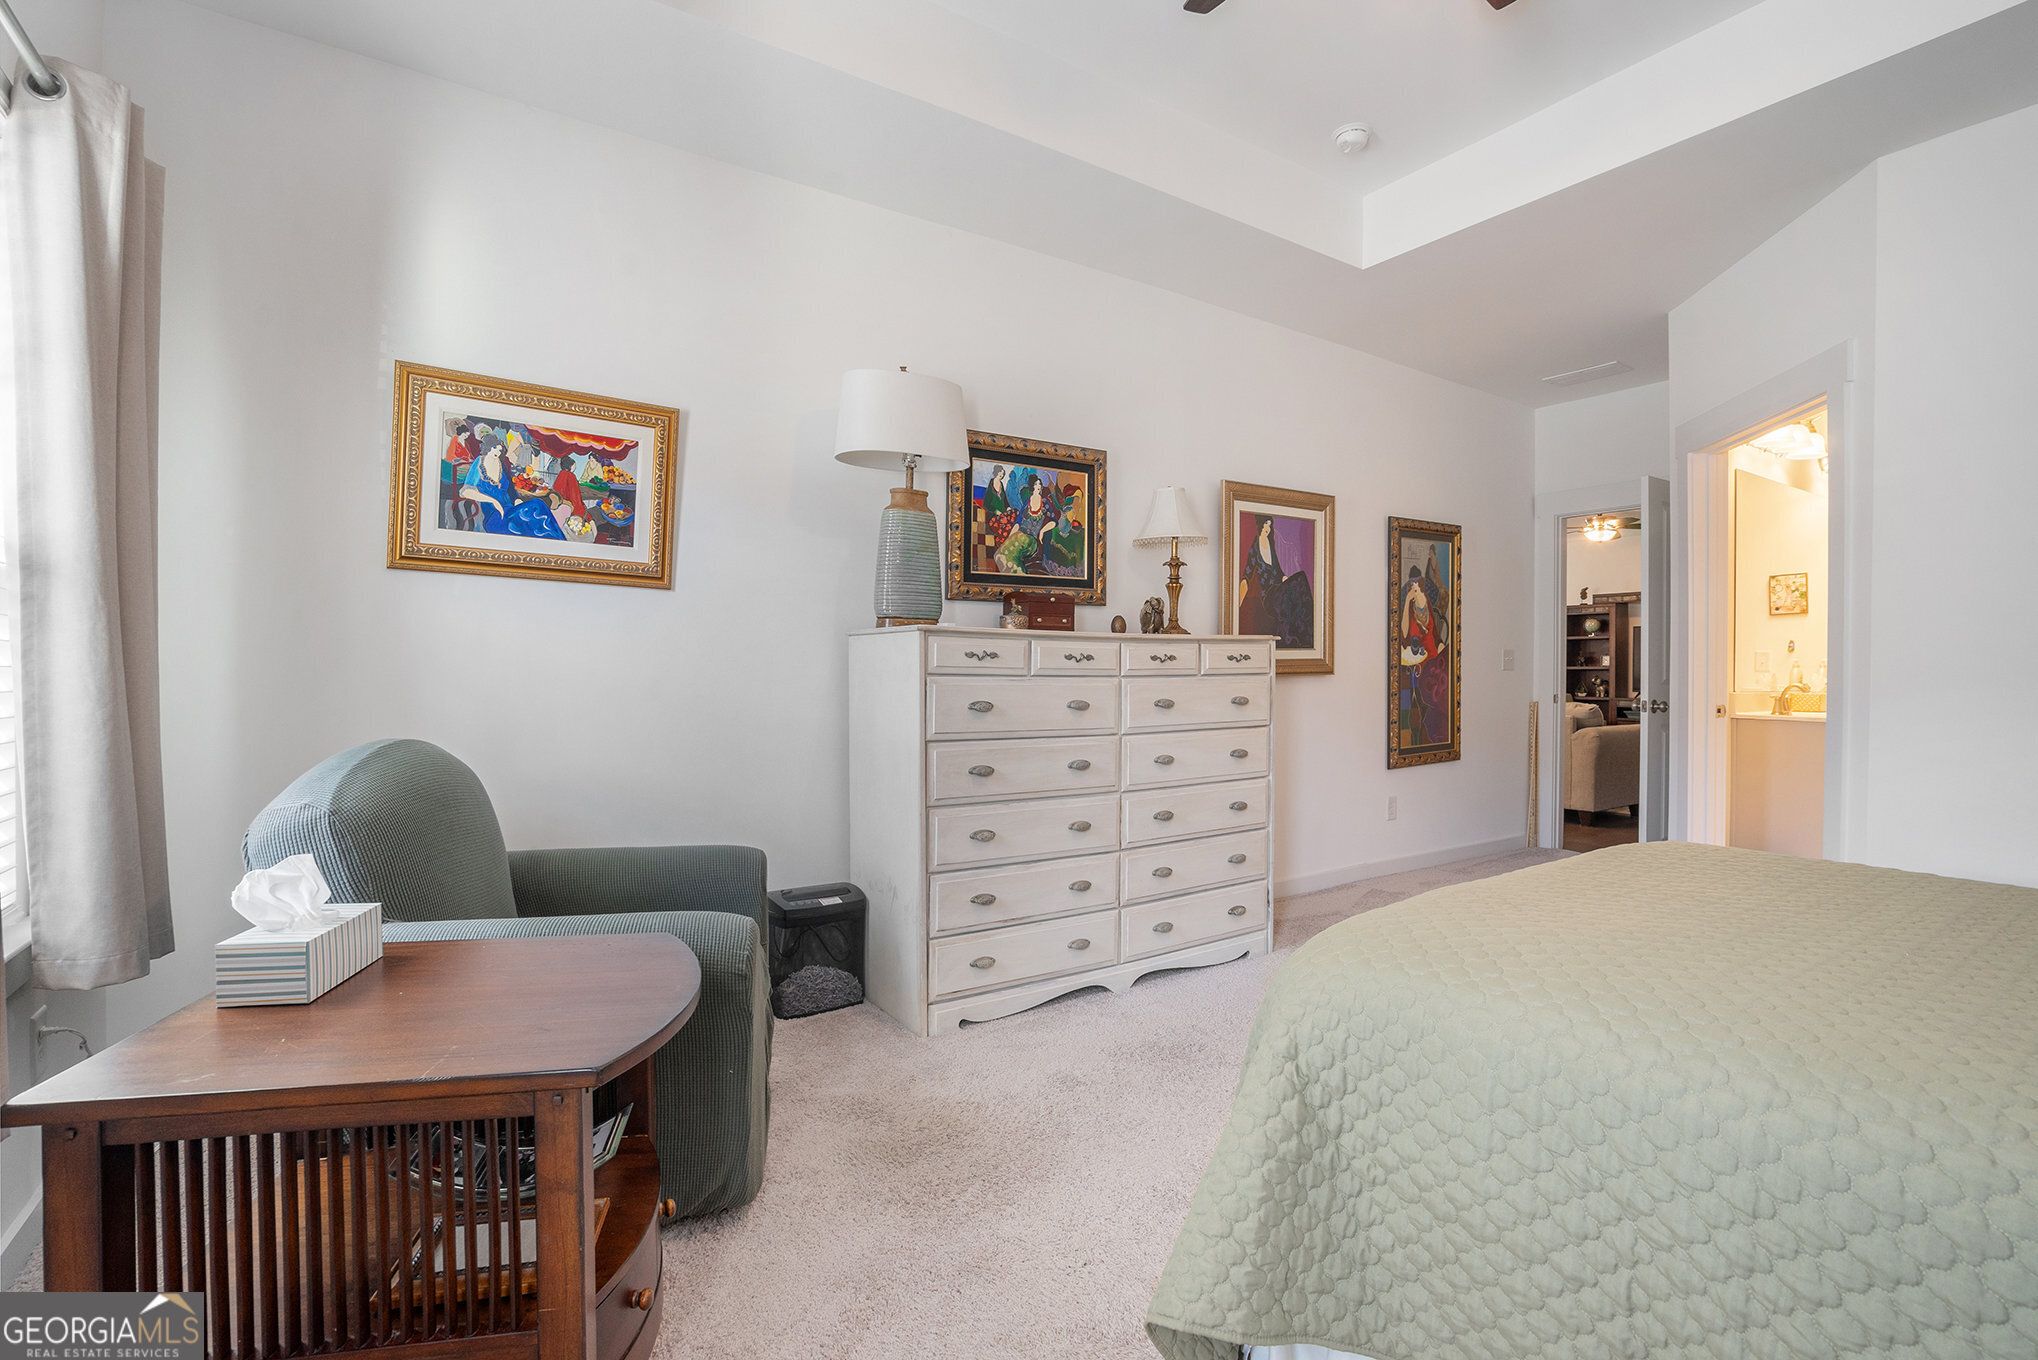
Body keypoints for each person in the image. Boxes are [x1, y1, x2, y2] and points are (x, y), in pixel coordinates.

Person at [458, 433, 567, 539]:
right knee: (533, 516)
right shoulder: (479, 463)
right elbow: (465, 492)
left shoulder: (500, 464)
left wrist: (516, 500)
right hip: (495, 515)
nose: (497, 452)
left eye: (499, 450)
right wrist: (493, 501)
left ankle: (559, 541)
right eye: (494, 448)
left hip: (510, 509)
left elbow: (510, 488)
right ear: (487, 447)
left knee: (538, 507)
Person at [1238, 515, 1313, 649]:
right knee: (1299, 580)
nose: (1268, 528)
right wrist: (1237, 604)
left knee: (1300, 579)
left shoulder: (1270, 545)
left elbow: (1278, 571)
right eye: (1265, 524)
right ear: (1260, 525)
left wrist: (1285, 578)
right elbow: (1247, 576)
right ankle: (1299, 634)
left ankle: (1306, 634)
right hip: (1269, 596)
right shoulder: (1255, 548)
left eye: (1269, 524)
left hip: (1279, 588)